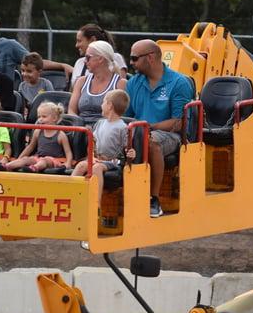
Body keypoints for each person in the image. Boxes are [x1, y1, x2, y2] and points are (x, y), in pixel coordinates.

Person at [124, 39, 194, 217]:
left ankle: (153, 199)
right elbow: (128, 116)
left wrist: (148, 127)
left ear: (150, 57)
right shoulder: (133, 83)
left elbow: (178, 122)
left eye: (134, 58)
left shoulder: (178, 83)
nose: (131, 63)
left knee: (152, 142)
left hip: (169, 135)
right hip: (139, 131)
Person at [71, 90, 133, 203]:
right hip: (96, 158)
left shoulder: (122, 127)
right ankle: (70, 196)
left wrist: (131, 153)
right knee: (81, 166)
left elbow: (127, 148)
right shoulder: (100, 123)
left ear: (109, 106)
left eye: (103, 102)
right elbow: (92, 143)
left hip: (112, 161)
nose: (101, 105)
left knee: (96, 168)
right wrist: (91, 156)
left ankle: (96, 203)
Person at [68, 41, 127, 126]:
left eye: (88, 57)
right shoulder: (81, 82)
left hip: (106, 132)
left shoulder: (120, 84)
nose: (85, 61)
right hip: (82, 131)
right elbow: (71, 110)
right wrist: (79, 127)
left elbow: (121, 114)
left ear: (100, 59)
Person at [3, 102, 72, 172]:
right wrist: (20, 158)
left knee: (44, 161)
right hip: (38, 157)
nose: (40, 119)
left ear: (54, 118)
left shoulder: (60, 135)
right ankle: (7, 166)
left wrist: (68, 163)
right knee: (26, 159)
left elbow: (68, 152)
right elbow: (30, 147)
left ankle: (34, 168)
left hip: (54, 160)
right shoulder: (38, 131)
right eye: (39, 117)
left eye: (44, 116)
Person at [70, 24, 128, 88]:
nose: (76, 45)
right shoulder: (79, 62)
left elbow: (121, 89)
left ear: (92, 40)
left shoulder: (114, 58)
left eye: (79, 41)